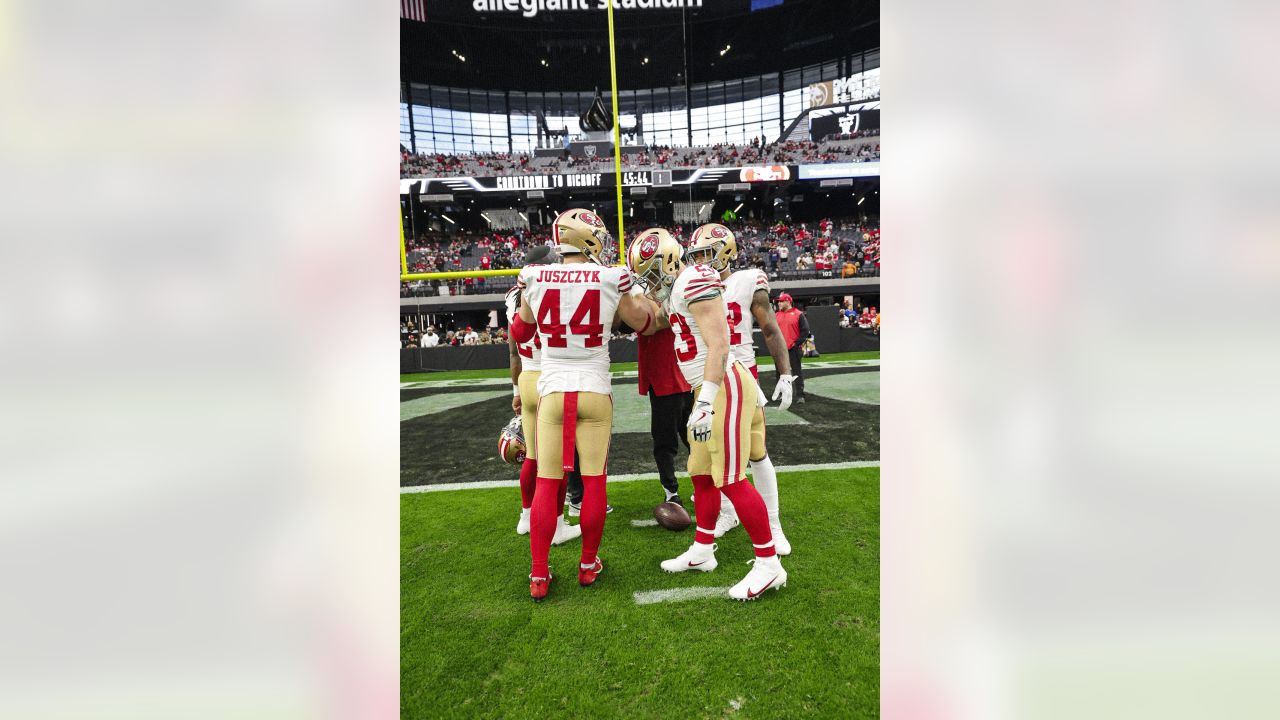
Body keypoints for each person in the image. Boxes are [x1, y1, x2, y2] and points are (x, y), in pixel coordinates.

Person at [627, 227, 787, 601]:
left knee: (730, 478)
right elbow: (654, 322)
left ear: (667, 262)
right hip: (708, 388)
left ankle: (769, 564)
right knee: (700, 473)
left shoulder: (695, 279)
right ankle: (702, 551)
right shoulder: (680, 286)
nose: (650, 286)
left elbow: (720, 344)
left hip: (723, 387)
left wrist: (704, 402)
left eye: (651, 276)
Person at [510, 208, 655, 602]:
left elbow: (520, 330)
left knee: (547, 482)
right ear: (589, 238)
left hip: (552, 387)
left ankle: (539, 574)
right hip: (594, 385)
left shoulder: (535, 276)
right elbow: (641, 323)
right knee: (593, 481)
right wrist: (636, 293)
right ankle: (588, 564)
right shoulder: (611, 276)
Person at [685, 224, 795, 555]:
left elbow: (771, 330)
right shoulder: (694, 284)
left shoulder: (748, 280)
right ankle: (728, 514)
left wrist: (785, 374)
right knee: (709, 454)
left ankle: (773, 524)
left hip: (741, 373)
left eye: (708, 253)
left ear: (727, 251)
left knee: (756, 450)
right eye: (698, 255)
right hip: (709, 377)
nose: (702, 261)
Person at [505, 244, 579, 545]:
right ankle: (558, 524)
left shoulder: (513, 295)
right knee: (556, 461)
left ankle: (526, 515)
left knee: (533, 457)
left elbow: (512, 350)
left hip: (526, 375)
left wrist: (515, 389)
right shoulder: (558, 288)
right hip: (552, 374)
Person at [636, 320, 693, 506]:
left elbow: (650, 323)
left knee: (673, 442)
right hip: (686, 375)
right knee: (691, 441)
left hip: (674, 376)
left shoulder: (656, 301)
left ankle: (673, 492)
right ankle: (673, 491)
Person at [775, 293, 810, 404]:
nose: (779, 303)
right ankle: (781, 394)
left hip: (793, 349)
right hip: (780, 350)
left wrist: (796, 343)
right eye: (778, 301)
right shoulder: (776, 315)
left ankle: (800, 396)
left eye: (781, 301)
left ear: (788, 301)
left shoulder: (798, 314)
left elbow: (805, 331)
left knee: (796, 372)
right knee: (779, 373)